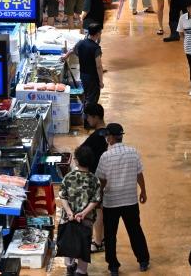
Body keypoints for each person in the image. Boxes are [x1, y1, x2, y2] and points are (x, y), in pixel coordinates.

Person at [96, 123, 150, 276]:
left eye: (107, 136)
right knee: (135, 231)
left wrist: (98, 198)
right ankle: (143, 261)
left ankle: (113, 266)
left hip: (111, 202)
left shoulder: (106, 156)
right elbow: (139, 174)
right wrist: (143, 191)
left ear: (111, 138)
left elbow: (102, 181)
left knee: (111, 235)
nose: (106, 138)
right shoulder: (133, 152)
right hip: (130, 201)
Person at [59, 145, 102, 276]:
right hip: (86, 219)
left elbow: (63, 195)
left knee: (69, 241)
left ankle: (70, 267)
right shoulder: (94, 179)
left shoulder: (68, 177)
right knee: (84, 244)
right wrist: (84, 213)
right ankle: (81, 271)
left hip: (68, 218)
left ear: (76, 161)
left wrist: (68, 211)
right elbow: (96, 199)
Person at [81, 104, 109, 252]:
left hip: (96, 177)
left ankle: (98, 242)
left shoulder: (95, 137)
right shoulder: (106, 133)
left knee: (98, 211)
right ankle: (101, 237)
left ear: (96, 117)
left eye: (89, 117)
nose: (87, 120)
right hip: (104, 175)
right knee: (101, 210)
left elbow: (81, 151)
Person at [60, 23, 104, 114]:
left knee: (87, 96)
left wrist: (65, 56)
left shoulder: (81, 43)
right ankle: (87, 118)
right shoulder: (96, 48)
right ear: (98, 34)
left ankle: (87, 117)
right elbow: (98, 66)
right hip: (93, 78)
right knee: (91, 99)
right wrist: (101, 81)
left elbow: (72, 50)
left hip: (83, 75)